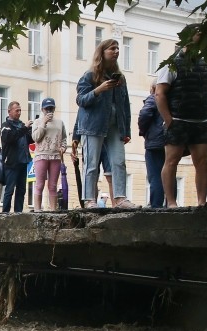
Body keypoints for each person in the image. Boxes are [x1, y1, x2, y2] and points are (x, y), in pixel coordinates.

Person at [156, 23, 207, 207]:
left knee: (202, 162)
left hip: (201, 122)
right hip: (179, 121)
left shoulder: (206, 64)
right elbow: (160, 93)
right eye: (199, 34)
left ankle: (202, 203)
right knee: (171, 161)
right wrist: (169, 120)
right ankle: (171, 203)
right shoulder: (172, 63)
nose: (203, 38)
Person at [75, 38, 138, 209]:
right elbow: (81, 100)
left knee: (119, 161)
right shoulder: (90, 76)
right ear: (102, 53)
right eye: (112, 49)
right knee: (91, 163)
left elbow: (125, 105)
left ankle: (120, 198)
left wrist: (127, 130)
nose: (116, 51)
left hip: (115, 127)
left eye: (118, 48)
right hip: (93, 126)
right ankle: (89, 200)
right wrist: (99, 89)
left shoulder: (120, 79)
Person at [31, 97, 68, 211]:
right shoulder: (37, 122)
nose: (49, 111)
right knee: (40, 184)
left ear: (54, 109)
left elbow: (64, 138)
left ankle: (53, 210)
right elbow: (35, 137)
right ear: (42, 110)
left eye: (51, 108)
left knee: (52, 185)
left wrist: (63, 147)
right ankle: (37, 210)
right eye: (47, 109)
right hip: (41, 155)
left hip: (55, 155)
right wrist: (43, 123)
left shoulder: (60, 123)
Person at [0, 101, 33, 212]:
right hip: (11, 163)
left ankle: (18, 212)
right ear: (9, 111)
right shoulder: (6, 126)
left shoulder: (21, 125)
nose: (19, 112)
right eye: (16, 110)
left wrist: (36, 128)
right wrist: (24, 129)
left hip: (23, 162)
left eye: (20, 110)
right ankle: (5, 213)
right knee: (9, 190)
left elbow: (30, 140)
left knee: (22, 190)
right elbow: (10, 138)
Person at [138, 81, 167, 208]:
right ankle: (171, 204)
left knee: (155, 175)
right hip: (171, 142)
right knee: (170, 172)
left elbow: (144, 114)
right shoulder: (171, 99)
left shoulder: (153, 97)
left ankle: (156, 205)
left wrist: (144, 131)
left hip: (154, 142)